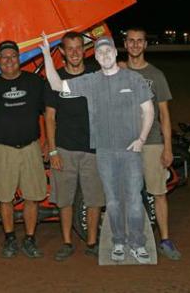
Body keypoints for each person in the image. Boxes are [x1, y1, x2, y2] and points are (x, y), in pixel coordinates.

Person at [41, 34, 155, 264]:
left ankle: (129, 243)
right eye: (100, 52)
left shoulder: (121, 77)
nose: (104, 55)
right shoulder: (91, 80)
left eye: (108, 51)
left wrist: (141, 139)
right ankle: (101, 242)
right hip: (86, 149)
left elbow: (148, 110)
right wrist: (45, 54)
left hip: (114, 150)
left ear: (114, 52)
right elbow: (55, 86)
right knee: (98, 200)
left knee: (123, 198)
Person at [0, 40, 47, 259]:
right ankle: (9, 238)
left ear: (19, 59)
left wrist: (47, 143)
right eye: (4, 57)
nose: (9, 60)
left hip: (30, 147)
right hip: (2, 148)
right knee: (4, 197)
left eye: (13, 56)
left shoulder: (36, 82)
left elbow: (46, 115)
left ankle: (29, 238)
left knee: (32, 196)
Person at [44, 32, 104, 261]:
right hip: (65, 149)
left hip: (93, 149)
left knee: (94, 198)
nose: (75, 52)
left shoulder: (96, 77)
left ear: (85, 49)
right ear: (62, 52)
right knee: (65, 200)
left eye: (79, 47)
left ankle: (91, 242)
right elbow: (49, 118)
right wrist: (53, 151)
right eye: (70, 48)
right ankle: (67, 242)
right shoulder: (54, 79)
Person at [123, 27, 181, 260]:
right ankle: (132, 239)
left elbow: (165, 115)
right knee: (128, 194)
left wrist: (167, 147)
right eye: (131, 41)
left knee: (158, 192)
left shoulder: (156, 75)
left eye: (140, 41)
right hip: (125, 145)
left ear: (145, 45)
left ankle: (165, 240)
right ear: (125, 44)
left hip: (153, 142)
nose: (135, 45)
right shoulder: (117, 73)